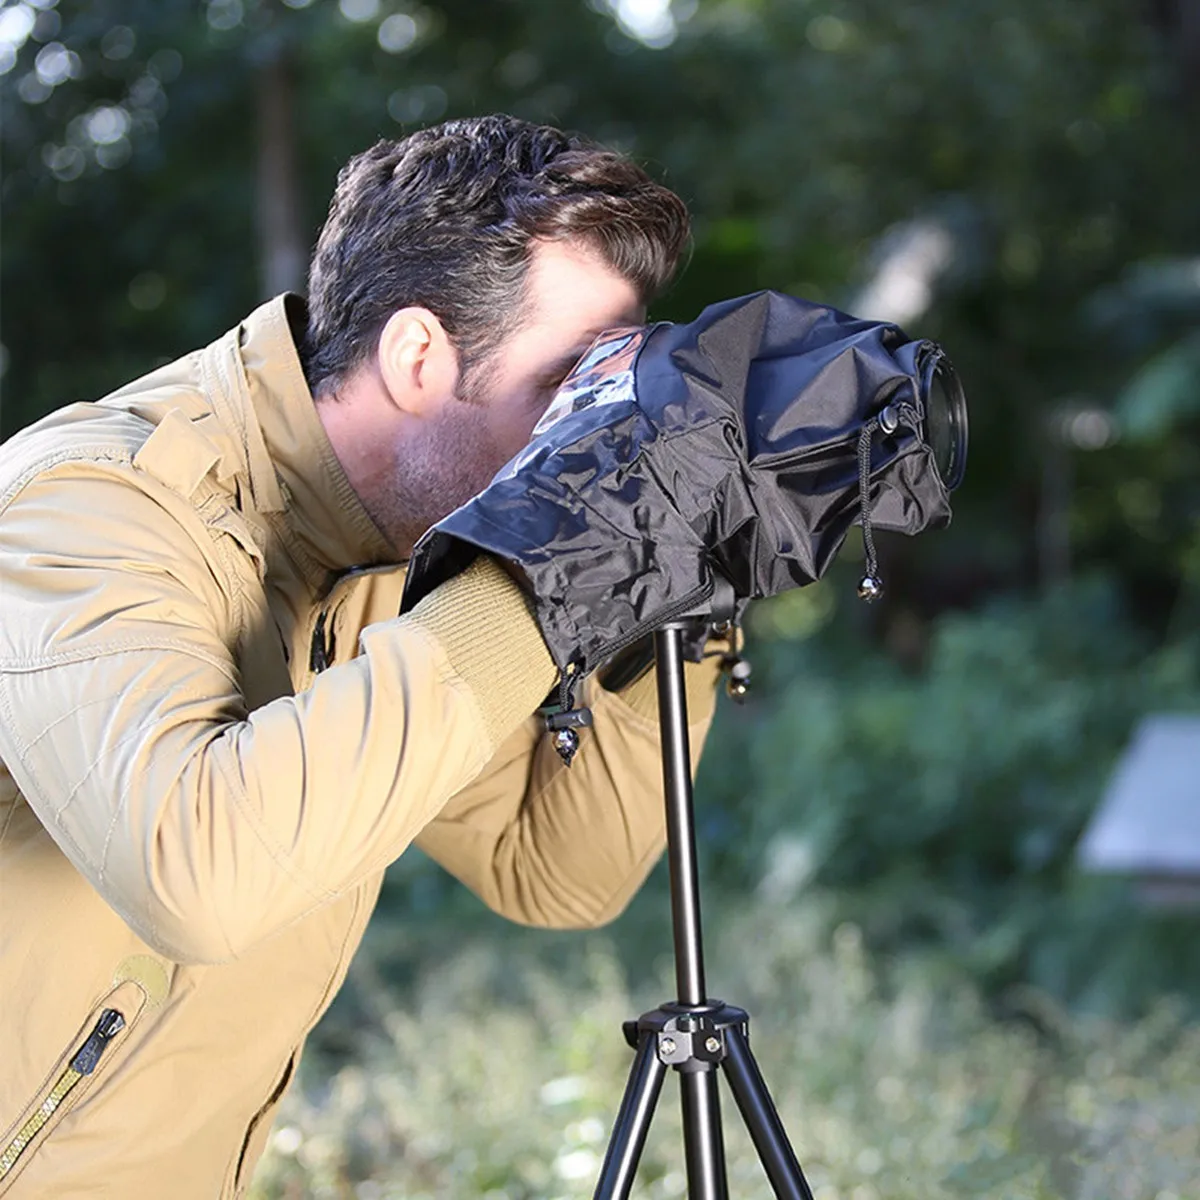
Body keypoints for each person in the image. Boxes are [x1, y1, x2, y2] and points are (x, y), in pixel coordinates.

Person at [0, 116, 726, 1197]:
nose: (596, 432)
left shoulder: (390, 547)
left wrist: (691, 579)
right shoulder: (91, 506)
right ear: (419, 356)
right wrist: (555, 576)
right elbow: (196, 875)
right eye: (569, 385)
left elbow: (555, 867)